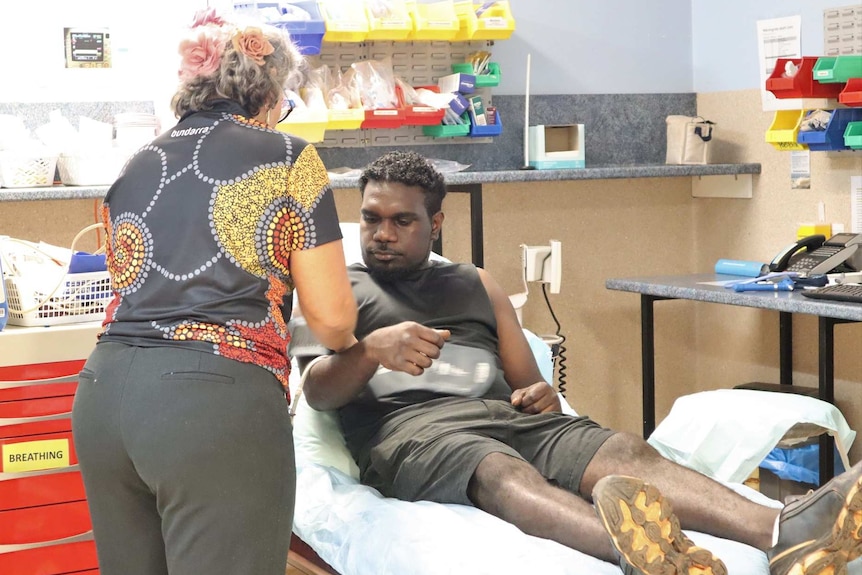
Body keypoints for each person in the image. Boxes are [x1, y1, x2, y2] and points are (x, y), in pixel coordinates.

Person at [295, 150, 862, 575]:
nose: (382, 234)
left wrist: (540, 396)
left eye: (402, 221)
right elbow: (316, 392)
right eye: (372, 219)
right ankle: (651, 554)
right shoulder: (336, 290)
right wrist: (370, 350)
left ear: (435, 223)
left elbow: (533, 385)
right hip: (415, 433)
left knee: (624, 450)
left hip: (508, 417)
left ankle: (785, 531)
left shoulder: (474, 284)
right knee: (497, 469)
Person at [71, 9, 357, 575]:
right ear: (272, 96)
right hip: (211, 405)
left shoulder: (139, 162)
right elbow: (332, 319)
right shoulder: (287, 157)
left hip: (103, 396)